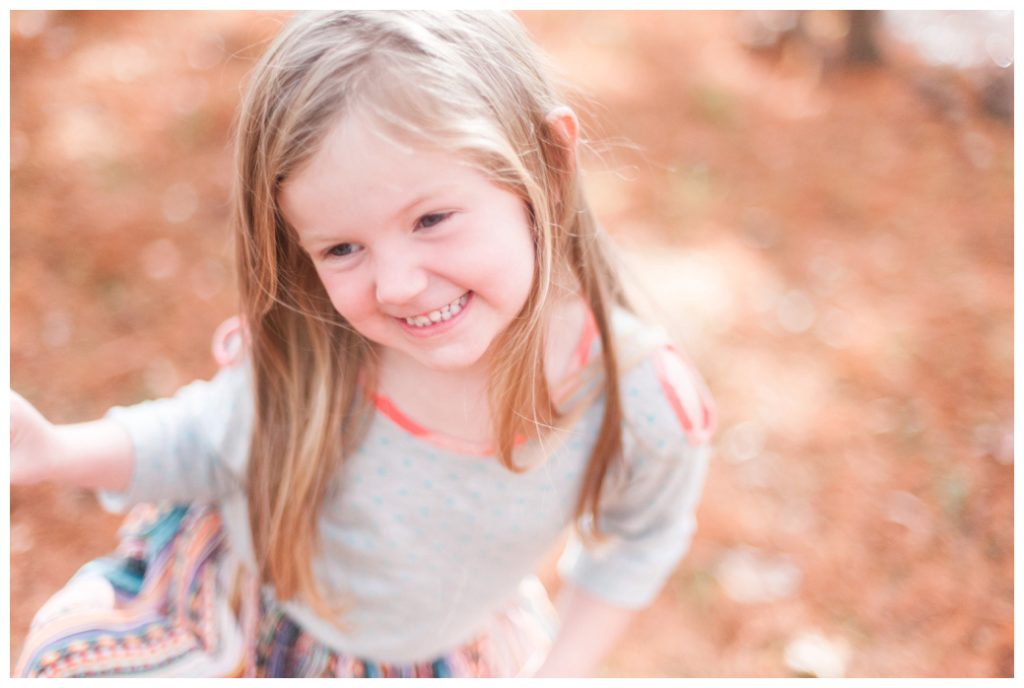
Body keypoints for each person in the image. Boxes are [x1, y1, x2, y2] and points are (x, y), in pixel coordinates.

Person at [10, 10, 715, 678]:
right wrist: (54, 452)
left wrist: (556, 675)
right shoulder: (330, 338)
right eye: (343, 247)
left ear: (548, 165)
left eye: (432, 218)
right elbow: (207, 440)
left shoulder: (638, 399)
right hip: (235, 614)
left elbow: (640, 540)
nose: (398, 285)